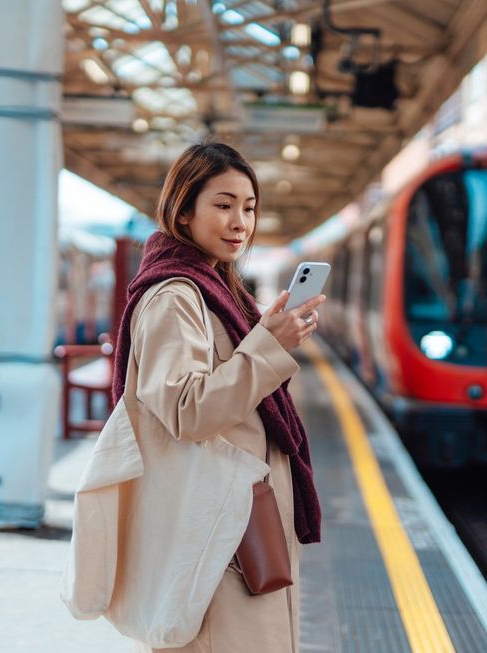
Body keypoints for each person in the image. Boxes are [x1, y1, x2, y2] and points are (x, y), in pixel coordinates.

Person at [109, 142, 324, 652]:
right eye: (223, 205)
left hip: (235, 518)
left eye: (249, 208)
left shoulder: (216, 289)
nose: (239, 222)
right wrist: (269, 347)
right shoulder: (174, 296)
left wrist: (263, 336)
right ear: (183, 210)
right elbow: (187, 410)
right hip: (213, 528)